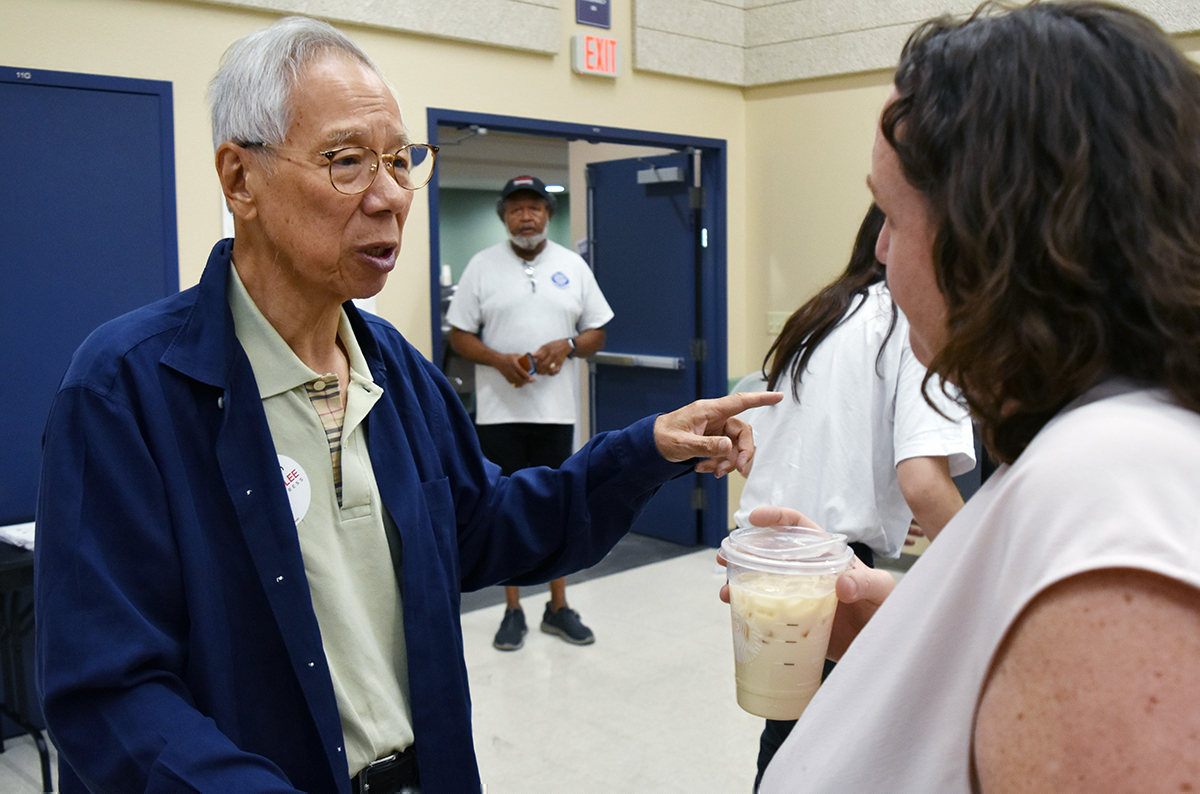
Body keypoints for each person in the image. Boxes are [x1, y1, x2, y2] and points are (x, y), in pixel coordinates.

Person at [32, 17, 780, 794]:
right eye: (347, 161)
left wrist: (648, 448)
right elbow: (109, 692)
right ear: (239, 179)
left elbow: (487, 527)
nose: (390, 197)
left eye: (400, 160)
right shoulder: (127, 391)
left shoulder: (394, 369)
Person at [749, 2, 1200, 791]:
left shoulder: (1112, 483)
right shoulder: (1098, 448)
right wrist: (905, 633)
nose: (880, 254)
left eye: (892, 215)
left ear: (993, 236)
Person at [734, 203, 975, 789]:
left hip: (768, 552)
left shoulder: (820, 314)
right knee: (835, 748)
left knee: (789, 734)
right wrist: (987, 588)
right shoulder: (916, 327)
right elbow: (923, 482)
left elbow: (760, 449)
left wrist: (875, 498)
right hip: (836, 565)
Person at [446, 175, 612, 651]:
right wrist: (499, 360)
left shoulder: (572, 266)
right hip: (499, 413)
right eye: (516, 208)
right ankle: (512, 609)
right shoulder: (482, 266)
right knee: (502, 509)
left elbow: (598, 332)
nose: (526, 216)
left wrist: (569, 344)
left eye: (535, 208)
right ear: (504, 216)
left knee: (560, 504)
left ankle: (558, 606)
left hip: (555, 412)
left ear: (548, 215)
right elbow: (459, 335)